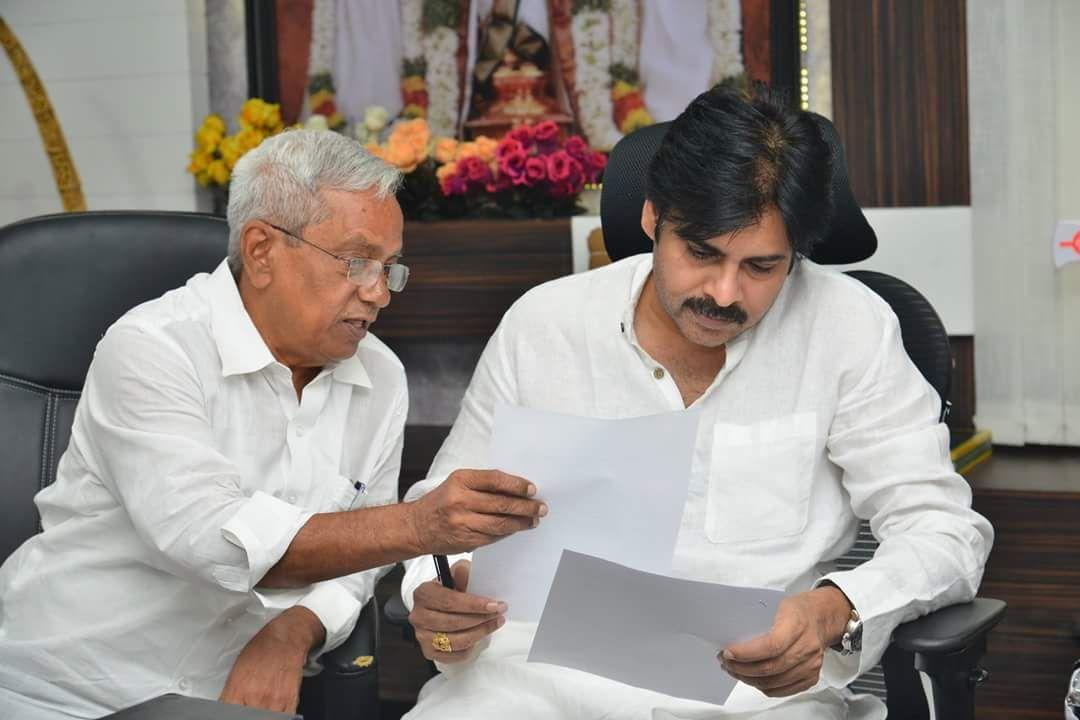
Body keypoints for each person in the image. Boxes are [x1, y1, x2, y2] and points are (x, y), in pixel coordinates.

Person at [399, 87, 994, 719]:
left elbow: (945, 531)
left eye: (762, 267)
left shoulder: (848, 328)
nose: (724, 293)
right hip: (530, 682)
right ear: (654, 218)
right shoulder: (545, 325)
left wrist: (833, 609)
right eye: (702, 254)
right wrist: (442, 587)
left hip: (751, 696)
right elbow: (443, 509)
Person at [0, 129, 546, 720]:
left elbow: (359, 569)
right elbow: (212, 542)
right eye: (356, 262)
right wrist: (421, 525)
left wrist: (294, 631)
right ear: (261, 251)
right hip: (62, 691)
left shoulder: (380, 376)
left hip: (228, 698)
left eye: (390, 268)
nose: (378, 293)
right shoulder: (153, 349)